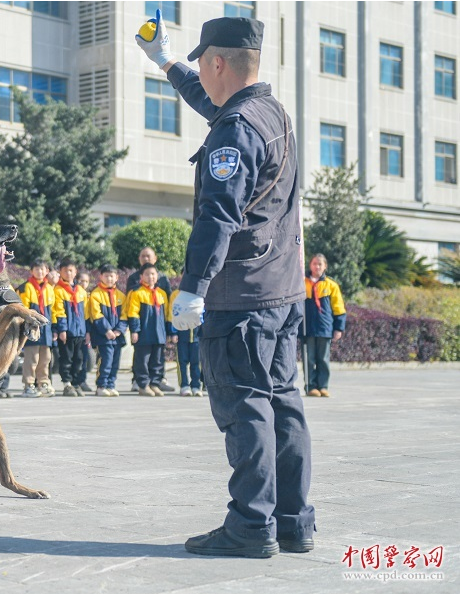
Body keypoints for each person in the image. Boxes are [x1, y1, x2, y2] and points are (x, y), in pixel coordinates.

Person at [138, 12, 313, 556]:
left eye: (200, 64)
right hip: (283, 292)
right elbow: (213, 104)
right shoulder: (270, 113)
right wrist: (165, 61)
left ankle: (249, 526)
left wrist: (193, 285)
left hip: (242, 298)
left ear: (217, 62)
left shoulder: (235, 130)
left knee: (245, 408)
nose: (201, 76)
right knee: (284, 403)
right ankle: (292, 522)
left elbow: (218, 214)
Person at [126, 247, 175, 393]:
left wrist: (169, 330)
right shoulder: (137, 293)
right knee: (143, 360)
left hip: (158, 333)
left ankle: (155, 383)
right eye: (147, 275)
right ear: (141, 277)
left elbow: (167, 313)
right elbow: (133, 312)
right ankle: (143, 384)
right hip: (144, 333)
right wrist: (135, 330)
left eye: (153, 274)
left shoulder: (162, 294)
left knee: (158, 360)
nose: (151, 277)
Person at [303, 254, 346, 398]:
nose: (317, 267)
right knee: (309, 358)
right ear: (310, 265)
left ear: (325, 266)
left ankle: (323, 386)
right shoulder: (302, 283)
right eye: (315, 264)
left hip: (324, 327)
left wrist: (338, 328)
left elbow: (338, 307)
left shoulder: (331, 285)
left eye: (320, 264)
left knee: (323, 359)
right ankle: (310, 386)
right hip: (307, 328)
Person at [17, 259, 57, 397]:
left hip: (46, 329)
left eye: (43, 269)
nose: (40, 272)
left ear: (47, 271)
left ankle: (43, 382)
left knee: (45, 358)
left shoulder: (50, 289)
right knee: (31, 358)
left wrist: (55, 329)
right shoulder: (25, 287)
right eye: (37, 269)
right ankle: (28, 385)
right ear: (31, 271)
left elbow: (55, 310)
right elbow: (23, 310)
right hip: (32, 327)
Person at [88, 264, 126, 397]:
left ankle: (111, 384)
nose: (109, 278)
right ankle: (101, 385)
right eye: (106, 276)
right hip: (102, 336)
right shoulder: (96, 294)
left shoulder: (121, 295)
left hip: (117, 336)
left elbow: (124, 315)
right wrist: (107, 330)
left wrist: (119, 330)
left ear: (117, 277)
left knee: (115, 362)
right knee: (105, 361)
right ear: (101, 277)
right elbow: (96, 314)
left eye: (112, 276)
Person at [54, 258, 88, 397]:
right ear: (60, 272)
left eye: (71, 270)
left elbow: (85, 312)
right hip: (67, 332)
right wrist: (62, 329)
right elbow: (58, 311)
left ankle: (76, 383)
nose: (68, 273)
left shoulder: (81, 291)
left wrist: (87, 331)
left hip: (80, 331)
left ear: (75, 272)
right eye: (65, 270)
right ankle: (67, 384)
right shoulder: (58, 290)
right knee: (66, 358)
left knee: (79, 358)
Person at [171, 286, 203, 397]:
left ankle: (196, 385)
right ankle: (184, 385)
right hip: (182, 335)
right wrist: (174, 332)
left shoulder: (201, 294)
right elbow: (173, 314)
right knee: (182, 362)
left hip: (196, 336)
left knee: (196, 362)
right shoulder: (176, 295)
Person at [77, 271, 94, 393]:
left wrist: (88, 332)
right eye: (81, 281)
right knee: (76, 358)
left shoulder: (88, 296)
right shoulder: (75, 294)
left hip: (84, 330)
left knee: (84, 358)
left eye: (86, 281)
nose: (84, 283)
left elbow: (88, 317)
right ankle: (75, 382)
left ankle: (82, 381)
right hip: (75, 331)